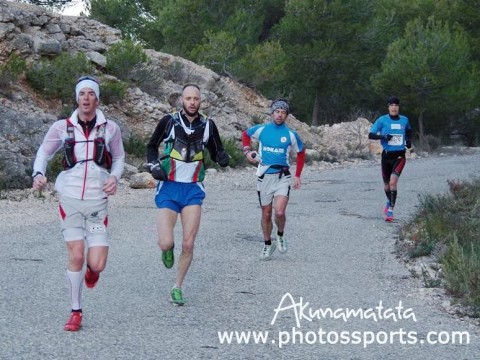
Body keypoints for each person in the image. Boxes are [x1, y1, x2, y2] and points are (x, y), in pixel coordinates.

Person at [32, 76, 125, 331]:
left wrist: (115, 178)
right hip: (70, 198)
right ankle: (75, 311)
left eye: (91, 94)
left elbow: (118, 158)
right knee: (76, 255)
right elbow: (43, 153)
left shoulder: (110, 129)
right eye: (82, 94)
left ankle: (91, 272)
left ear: (97, 99)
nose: (86, 98)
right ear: (76, 98)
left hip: (97, 202)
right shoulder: (62, 127)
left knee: (97, 263)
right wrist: (38, 174)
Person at [146, 83, 229, 305]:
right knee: (165, 242)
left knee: (189, 244)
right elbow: (151, 147)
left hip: (193, 188)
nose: (192, 102)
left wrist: (222, 158)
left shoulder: (208, 125)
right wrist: (154, 166)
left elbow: (216, 149)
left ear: (200, 101)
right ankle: (168, 249)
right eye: (188, 98)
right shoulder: (169, 121)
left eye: (196, 99)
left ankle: (177, 287)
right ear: (181, 100)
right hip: (170, 186)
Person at [242, 99, 305, 260]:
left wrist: (297, 174)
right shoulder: (262, 130)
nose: (280, 115)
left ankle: (280, 235)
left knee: (279, 211)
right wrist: (247, 151)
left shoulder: (291, 134)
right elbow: (245, 134)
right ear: (272, 113)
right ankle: (267, 244)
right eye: (277, 112)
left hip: (282, 176)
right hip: (264, 176)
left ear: (286, 116)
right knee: (266, 213)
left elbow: (301, 152)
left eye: (283, 113)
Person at [368, 96, 412, 222]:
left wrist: (408, 141)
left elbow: (409, 130)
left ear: (398, 107)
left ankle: (391, 211)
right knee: (387, 186)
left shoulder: (404, 120)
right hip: (386, 156)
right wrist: (383, 137)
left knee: (393, 183)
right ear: (388, 107)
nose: (394, 107)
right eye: (391, 105)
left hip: (399, 156)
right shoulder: (382, 120)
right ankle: (389, 201)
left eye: (396, 105)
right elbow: (371, 134)